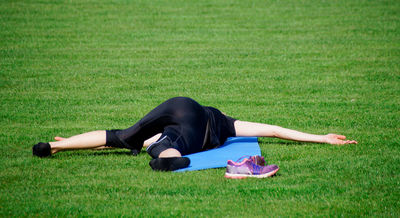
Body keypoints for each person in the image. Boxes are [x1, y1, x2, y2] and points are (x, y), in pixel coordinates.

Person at [32, 97, 357, 174]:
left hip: (178, 103)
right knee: (160, 148)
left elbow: (272, 130)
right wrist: (321, 137)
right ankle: (166, 161)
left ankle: (58, 146)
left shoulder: (221, 120)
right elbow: (273, 130)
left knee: (122, 135)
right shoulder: (227, 126)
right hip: (188, 126)